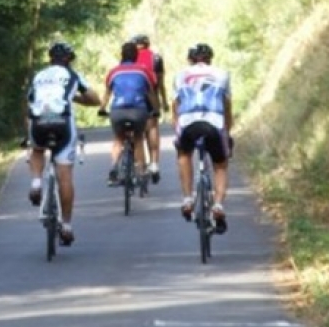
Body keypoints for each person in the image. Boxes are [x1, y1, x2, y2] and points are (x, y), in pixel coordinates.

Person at [26, 41, 101, 246]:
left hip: (39, 122)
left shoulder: (39, 76)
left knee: (36, 149)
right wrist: (76, 98)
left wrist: (29, 134)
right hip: (62, 123)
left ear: (50, 58)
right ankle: (66, 225)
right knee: (65, 177)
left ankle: (36, 182)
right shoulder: (72, 75)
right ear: (69, 60)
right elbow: (94, 98)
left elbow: (30, 104)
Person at [172, 42, 233, 234]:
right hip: (213, 123)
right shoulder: (222, 74)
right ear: (210, 59)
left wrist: (177, 130)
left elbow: (176, 106)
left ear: (190, 59)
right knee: (221, 164)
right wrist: (227, 131)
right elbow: (226, 106)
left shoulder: (180, 75)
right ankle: (218, 205)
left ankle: (187, 198)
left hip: (188, 122)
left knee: (183, 154)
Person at [98, 41, 159, 185]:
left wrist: (101, 109)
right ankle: (139, 171)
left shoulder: (114, 71)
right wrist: (156, 110)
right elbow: (150, 93)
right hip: (138, 111)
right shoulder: (143, 71)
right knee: (138, 137)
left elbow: (107, 94)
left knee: (119, 138)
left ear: (122, 55)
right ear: (136, 56)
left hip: (118, 111)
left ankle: (113, 166)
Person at [132, 34, 169, 183]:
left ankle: (140, 167)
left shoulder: (129, 56)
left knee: (137, 134)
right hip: (150, 96)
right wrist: (164, 102)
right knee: (152, 127)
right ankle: (154, 163)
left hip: (133, 97)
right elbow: (160, 83)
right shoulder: (156, 58)